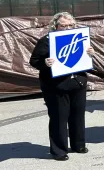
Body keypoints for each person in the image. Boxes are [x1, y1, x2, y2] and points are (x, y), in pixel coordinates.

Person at [29, 12, 94, 161]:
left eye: (70, 25)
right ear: (55, 26)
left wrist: (91, 53)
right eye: (63, 25)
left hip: (77, 82)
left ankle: (79, 145)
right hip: (56, 85)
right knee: (59, 117)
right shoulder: (46, 41)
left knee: (78, 115)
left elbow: (84, 58)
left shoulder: (80, 37)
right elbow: (34, 61)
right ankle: (59, 150)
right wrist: (45, 63)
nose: (67, 28)